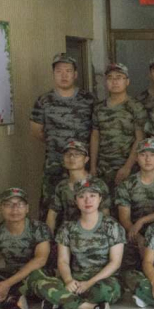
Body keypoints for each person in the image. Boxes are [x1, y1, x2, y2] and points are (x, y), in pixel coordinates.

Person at [27, 178, 124, 309]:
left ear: (100, 199)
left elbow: (115, 263)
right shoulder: (67, 228)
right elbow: (63, 261)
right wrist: (68, 280)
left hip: (102, 279)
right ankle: (89, 307)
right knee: (37, 279)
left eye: (92, 196)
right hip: (75, 278)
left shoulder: (112, 226)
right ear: (75, 200)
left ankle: (60, 300)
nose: (87, 200)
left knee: (105, 292)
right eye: (82, 196)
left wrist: (89, 283)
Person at [30, 53, 96, 216]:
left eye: (68, 71)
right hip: (54, 162)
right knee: (50, 205)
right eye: (59, 71)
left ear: (75, 74)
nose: (64, 75)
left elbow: (96, 131)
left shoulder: (88, 99)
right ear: (53, 74)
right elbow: (36, 131)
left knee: (83, 203)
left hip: (82, 164)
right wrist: (56, 143)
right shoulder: (44, 100)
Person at [114, 137, 154, 275]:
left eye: (152, 155)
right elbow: (124, 218)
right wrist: (139, 238)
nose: (148, 159)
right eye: (143, 155)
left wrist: (143, 220)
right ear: (136, 157)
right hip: (134, 234)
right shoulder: (127, 185)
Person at [90, 62, 146, 193]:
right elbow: (95, 136)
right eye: (110, 78)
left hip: (127, 167)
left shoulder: (136, 107)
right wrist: (92, 166)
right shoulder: (99, 108)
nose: (114, 82)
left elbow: (140, 139)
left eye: (119, 77)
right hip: (103, 168)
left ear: (127, 82)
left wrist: (127, 167)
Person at [47, 141, 111, 233]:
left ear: (86, 159)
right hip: (68, 234)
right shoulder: (61, 186)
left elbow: (105, 214)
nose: (72, 157)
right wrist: (49, 238)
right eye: (68, 154)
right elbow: (52, 215)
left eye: (77, 154)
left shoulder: (98, 184)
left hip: (93, 234)